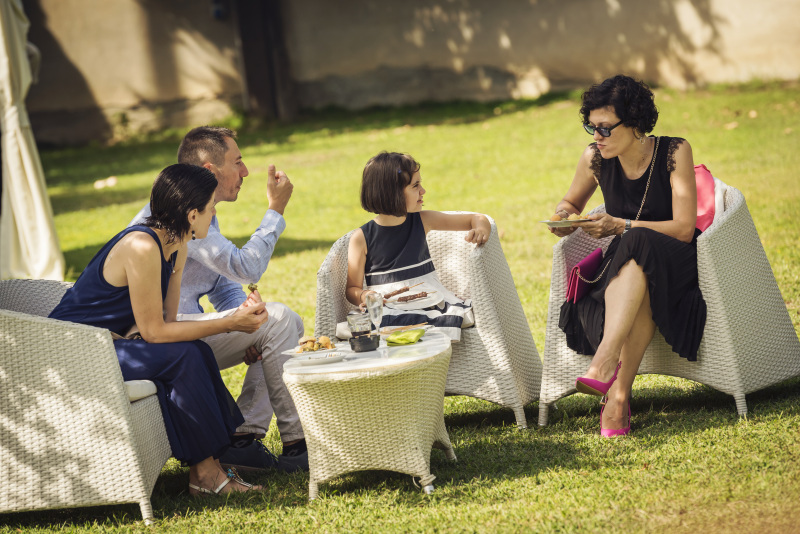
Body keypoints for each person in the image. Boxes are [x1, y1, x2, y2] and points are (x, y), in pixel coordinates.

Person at [49, 164, 266, 495]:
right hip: (72, 350)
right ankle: (207, 476)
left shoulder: (176, 247)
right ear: (192, 215)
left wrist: (232, 318)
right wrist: (229, 323)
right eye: (211, 208)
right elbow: (154, 333)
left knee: (195, 351)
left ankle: (210, 470)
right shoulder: (143, 246)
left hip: (110, 344)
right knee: (184, 357)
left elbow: (168, 321)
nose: (214, 215)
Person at [130, 126, 307, 472]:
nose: (246, 172)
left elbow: (222, 283)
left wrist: (247, 323)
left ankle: (241, 439)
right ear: (209, 170)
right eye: (237, 162)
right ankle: (293, 444)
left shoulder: (203, 211)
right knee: (280, 319)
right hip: (162, 339)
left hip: (183, 333)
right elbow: (245, 267)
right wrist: (275, 210)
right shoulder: (180, 211)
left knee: (274, 322)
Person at [550, 75, 707, 437]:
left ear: (635, 123)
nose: (597, 136)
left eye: (605, 128)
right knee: (636, 262)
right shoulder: (595, 158)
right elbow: (570, 202)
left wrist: (622, 225)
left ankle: (606, 361)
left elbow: (685, 228)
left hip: (675, 261)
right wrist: (564, 218)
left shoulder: (674, 151)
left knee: (637, 241)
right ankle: (618, 397)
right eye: (591, 127)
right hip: (627, 270)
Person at [345, 151, 490, 341]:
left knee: (449, 319)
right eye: (415, 186)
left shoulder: (422, 220)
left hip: (432, 303)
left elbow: (476, 218)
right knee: (381, 327)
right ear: (392, 193)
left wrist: (481, 228)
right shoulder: (361, 238)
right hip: (390, 308)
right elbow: (352, 289)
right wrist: (365, 295)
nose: (423, 191)